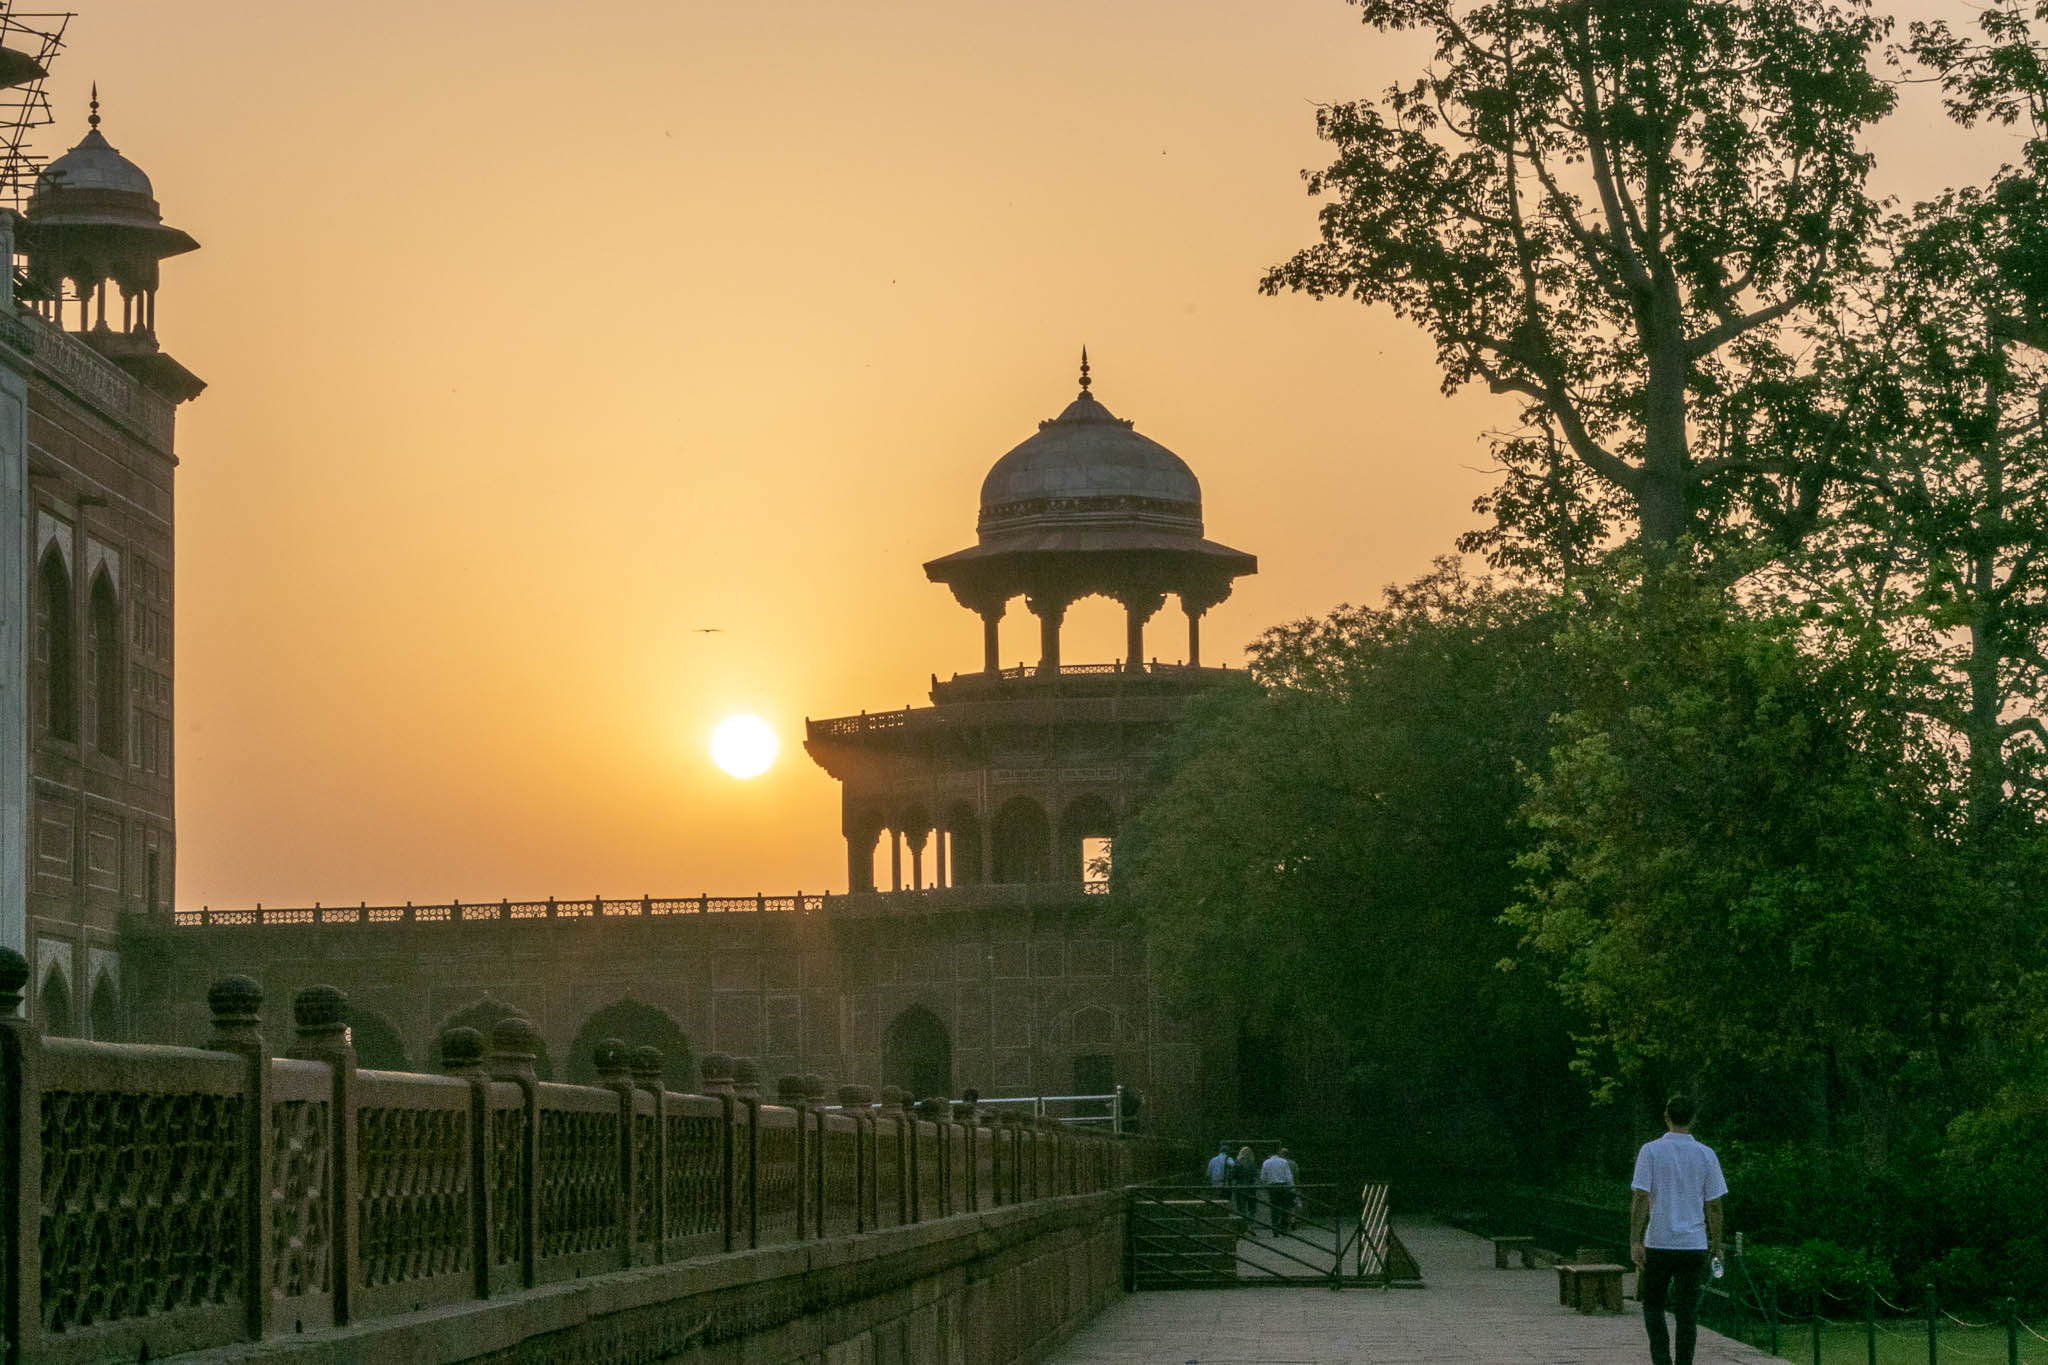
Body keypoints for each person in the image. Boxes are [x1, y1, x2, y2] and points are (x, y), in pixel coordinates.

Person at [1631, 1095, 1727, 1365]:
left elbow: (1640, 1197)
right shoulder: (1706, 1155)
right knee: (1687, 1311)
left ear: (1666, 1116)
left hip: (1659, 1240)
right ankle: (1684, 1361)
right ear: (1693, 1119)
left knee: (1653, 1305)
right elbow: (1714, 1205)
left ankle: (1662, 1359)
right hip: (1693, 1243)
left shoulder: (1650, 1151)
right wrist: (1716, 1244)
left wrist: (1635, 1239)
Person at [1260, 1145, 1298, 1235]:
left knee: (1274, 1208)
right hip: (1283, 1186)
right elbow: (1288, 1176)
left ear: (1269, 1153)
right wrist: (1292, 1187)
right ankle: (1283, 1228)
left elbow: (1263, 1177)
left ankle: (1275, 1228)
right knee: (1284, 1207)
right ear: (1277, 1152)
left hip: (1272, 1187)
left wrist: (1267, 1183)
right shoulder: (1284, 1162)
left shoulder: (1266, 1163)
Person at [1230, 1145, 1258, 1227]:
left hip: (1240, 1186)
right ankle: (1250, 1223)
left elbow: (1232, 1174)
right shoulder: (1252, 1163)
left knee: (1241, 1206)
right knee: (1252, 1207)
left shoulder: (1237, 1162)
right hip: (1250, 1187)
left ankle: (1243, 1223)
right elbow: (1255, 1174)